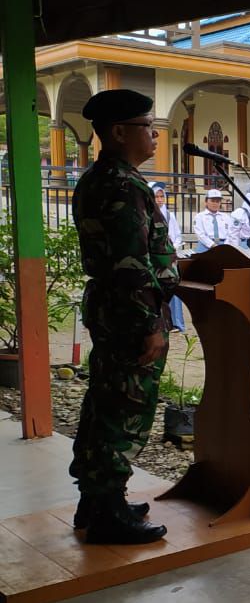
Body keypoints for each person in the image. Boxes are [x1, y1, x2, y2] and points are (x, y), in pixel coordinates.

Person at [69, 89, 173, 544]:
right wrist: (151, 325)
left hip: (110, 310)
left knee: (104, 401)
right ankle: (108, 514)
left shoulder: (98, 179)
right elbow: (132, 266)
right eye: (146, 127)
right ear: (117, 132)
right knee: (125, 409)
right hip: (130, 315)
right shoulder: (123, 186)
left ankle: (96, 500)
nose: (154, 135)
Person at [149, 182, 186, 333]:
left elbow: (177, 235)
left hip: (169, 257)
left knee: (172, 287)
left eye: (161, 196)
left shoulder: (169, 215)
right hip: (154, 257)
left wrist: (173, 247)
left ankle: (176, 322)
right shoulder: (148, 214)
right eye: (156, 196)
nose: (159, 199)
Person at [192, 188, 233, 253]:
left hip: (223, 246)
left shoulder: (226, 217)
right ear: (206, 201)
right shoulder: (199, 217)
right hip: (205, 246)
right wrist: (213, 245)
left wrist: (225, 246)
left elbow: (230, 233)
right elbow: (200, 235)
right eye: (212, 201)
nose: (215, 203)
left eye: (217, 201)